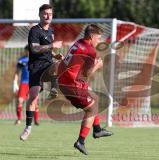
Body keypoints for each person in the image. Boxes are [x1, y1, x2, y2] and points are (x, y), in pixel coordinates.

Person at [58, 24, 113, 155]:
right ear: (91, 36)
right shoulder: (90, 51)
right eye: (98, 38)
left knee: (95, 98)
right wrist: (97, 65)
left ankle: (97, 129)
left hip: (65, 80)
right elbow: (86, 74)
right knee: (92, 108)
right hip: (72, 84)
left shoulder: (78, 43)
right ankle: (80, 141)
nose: (99, 41)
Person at [19, 4, 64, 140]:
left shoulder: (51, 31)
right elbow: (35, 49)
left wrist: (55, 54)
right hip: (35, 68)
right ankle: (28, 127)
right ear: (39, 15)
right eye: (45, 13)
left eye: (50, 13)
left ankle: (54, 88)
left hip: (48, 65)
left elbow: (48, 50)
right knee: (32, 98)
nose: (48, 16)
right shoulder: (34, 31)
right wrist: (52, 46)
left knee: (56, 64)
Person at [13, 45, 39, 126]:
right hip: (24, 83)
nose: (28, 52)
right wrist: (15, 82)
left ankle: (36, 121)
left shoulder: (36, 60)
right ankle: (19, 119)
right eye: (27, 50)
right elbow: (17, 72)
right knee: (19, 101)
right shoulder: (22, 60)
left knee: (34, 103)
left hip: (33, 83)